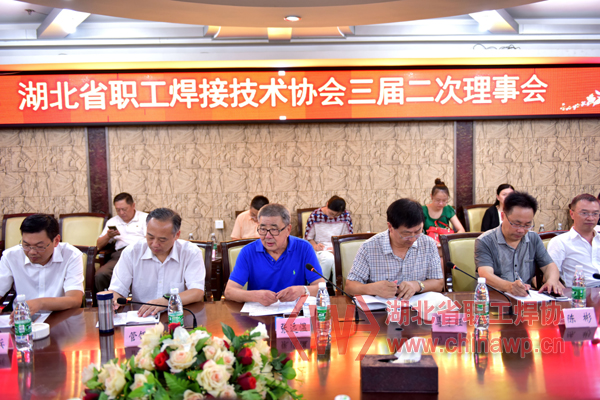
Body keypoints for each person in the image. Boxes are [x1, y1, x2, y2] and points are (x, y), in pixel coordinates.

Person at [108, 208, 205, 317]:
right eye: (150, 237)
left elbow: (197, 292)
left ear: (177, 235)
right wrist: (113, 299)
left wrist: (166, 301)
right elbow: (117, 290)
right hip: (141, 318)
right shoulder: (132, 252)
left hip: (178, 317)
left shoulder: (190, 252)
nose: (154, 244)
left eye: (162, 240)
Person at [224, 203, 325, 306]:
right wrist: (255, 296)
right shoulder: (248, 252)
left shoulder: (304, 248)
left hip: (294, 312)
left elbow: (321, 287)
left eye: (274, 230)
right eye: (263, 229)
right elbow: (229, 292)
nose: (268, 236)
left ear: (288, 230)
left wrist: (303, 290)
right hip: (259, 312)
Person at [345, 198, 444, 300]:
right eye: (406, 234)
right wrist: (372, 288)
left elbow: (438, 283)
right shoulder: (369, 247)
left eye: (418, 231)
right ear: (390, 227)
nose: (413, 238)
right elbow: (349, 287)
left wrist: (417, 285)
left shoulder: (428, 244)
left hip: (418, 306)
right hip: (382, 307)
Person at [475, 191, 564, 296]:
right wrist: (510, 287)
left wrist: (552, 280)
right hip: (495, 298)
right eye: (516, 224)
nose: (521, 230)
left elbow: (549, 266)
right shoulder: (485, 241)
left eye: (527, 225)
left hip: (526, 297)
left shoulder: (533, 238)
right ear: (503, 216)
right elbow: (486, 275)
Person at [0, 214, 84, 320]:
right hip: (24, 321)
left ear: (56, 241)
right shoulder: (10, 256)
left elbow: (75, 300)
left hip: (61, 319)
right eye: (26, 245)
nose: (32, 252)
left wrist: (40, 303)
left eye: (39, 246)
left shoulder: (71, 255)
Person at [95, 193, 148, 292]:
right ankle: (108, 300)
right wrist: (108, 236)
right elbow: (98, 245)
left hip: (141, 253)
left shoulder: (145, 218)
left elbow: (151, 239)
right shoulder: (112, 221)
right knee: (101, 274)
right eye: (118, 210)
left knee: (144, 275)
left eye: (124, 209)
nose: (121, 213)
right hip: (120, 255)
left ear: (133, 205)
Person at [548, 194, 600, 287]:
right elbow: (549, 276)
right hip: (579, 291)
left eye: (595, 214)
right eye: (584, 213)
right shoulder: (560, 242)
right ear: (572, 214)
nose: (590, 218)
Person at [304, 195, 353, 281]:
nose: (332, 217)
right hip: (321, 249)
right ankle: (320, 285)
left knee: (337, 261)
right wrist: (315, 246)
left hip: (338, 249)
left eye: (337, 215)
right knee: (328, 259)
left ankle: (338, 288)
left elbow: (348, 239)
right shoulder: (315, 215)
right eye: (331, 213)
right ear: (327, 205)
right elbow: (308, 238)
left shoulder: (346, 216)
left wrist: (337, 249)